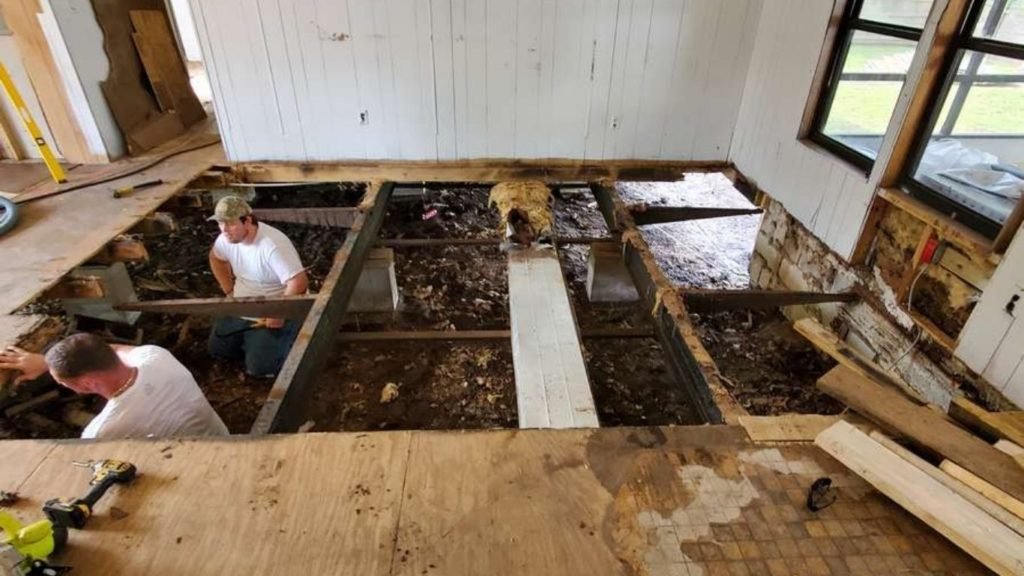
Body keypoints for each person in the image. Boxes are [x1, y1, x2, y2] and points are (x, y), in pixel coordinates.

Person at [0, 334, 229, 439]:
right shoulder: (157, 355)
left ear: (88, 383)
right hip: (223, 439)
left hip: (191, 474)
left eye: (61, 382)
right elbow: (115, 349)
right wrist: (46, 363)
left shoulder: (102, 431)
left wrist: (48, 365)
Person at [206, 196, 308, 377]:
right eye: (221, 224)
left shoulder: (272, 245)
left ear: (248, 220)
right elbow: (216, 258)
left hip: (274, 308)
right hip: (243, 304)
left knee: (262, 368)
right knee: (218, 351)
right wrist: (229, 291)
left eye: (230, 224)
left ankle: (294, 330)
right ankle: (254, 343)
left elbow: (298, 282)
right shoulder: (225, 239)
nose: (224, 230)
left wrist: (278, 312)